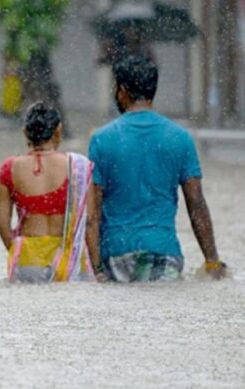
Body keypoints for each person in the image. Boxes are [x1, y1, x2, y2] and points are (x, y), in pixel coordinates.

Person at [87, 54, 226, 282]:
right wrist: (212, 260)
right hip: (164, 253)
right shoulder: (180, 138)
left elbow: (92, 214)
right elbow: (197, 204)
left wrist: (96, 270)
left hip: (116, 255)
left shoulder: (101, 140)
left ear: (122, 91)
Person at [0, 102, 95, 283]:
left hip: (27, 258)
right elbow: (89, 221)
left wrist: (16, 249)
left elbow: (2, 223)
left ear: (25, 132)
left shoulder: (10, 168)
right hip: (67, 259)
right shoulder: (77, 167)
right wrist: (98, 267)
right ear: (58, 130)